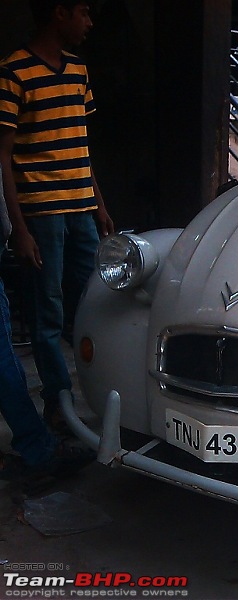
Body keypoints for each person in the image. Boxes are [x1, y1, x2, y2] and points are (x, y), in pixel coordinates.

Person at [0, 0, 114, 434]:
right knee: (47, 315)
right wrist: (19, 229)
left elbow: (81, 147)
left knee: (96, 304)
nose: (89, 22)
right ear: (59, 13)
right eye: (84, 13)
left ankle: (102, 393)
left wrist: (98, 204)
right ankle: (57, 404)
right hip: (41, 218)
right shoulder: (13, 72)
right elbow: (3, 157)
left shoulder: (78, 71)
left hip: (81, 211)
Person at [0, 170, 95, 481]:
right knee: (4, 359)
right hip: (40, 208)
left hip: (70, 205)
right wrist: (17, 230)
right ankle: (38, 449)